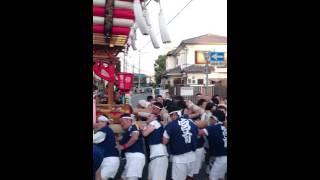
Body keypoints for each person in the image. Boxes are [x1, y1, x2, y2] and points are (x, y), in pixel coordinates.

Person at [162, 104, 198, 180]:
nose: (171, 118)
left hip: (179, 158)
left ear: (175, 114)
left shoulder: (171, 125)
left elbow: (164, 141)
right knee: (190, 177)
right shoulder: (191, 122)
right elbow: (197, 134)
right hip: (192, 155)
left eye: (171, 115)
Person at [199, 112, 227, 180]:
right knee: (220, 177)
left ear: (215, 119)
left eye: (211, 118)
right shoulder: (223, 127)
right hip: (222, 155)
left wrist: (195, 125)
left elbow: (199, 133)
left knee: (212, 177)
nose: (209, 119)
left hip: (221, 157)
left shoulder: (213, 128)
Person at [141, 113, 169, 180]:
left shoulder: (155, 122)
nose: (147, 117)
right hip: (156, 157)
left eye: (150, 115)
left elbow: (145, 133)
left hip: (159, 156)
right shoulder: (155, 124)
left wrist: (142, 128)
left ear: (155, 117)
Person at [118, 113, 146, 180]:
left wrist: (124, 146)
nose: (121, 124)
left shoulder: (134, 126)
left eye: (122, 121)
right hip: (130, 158)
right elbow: (119, 138)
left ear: (128, 120)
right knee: (122, 178)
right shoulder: (127, 132)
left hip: (135, 157)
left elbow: (134, 138)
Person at [93, 115, 120, 180]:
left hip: (109, 160)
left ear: (104, 123)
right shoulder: (106, 130)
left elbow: (93, 139)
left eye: (97, 122)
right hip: (106, 159)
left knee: (99, 178)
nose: (96, 124)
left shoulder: (105, 130)